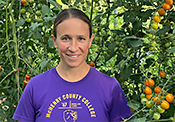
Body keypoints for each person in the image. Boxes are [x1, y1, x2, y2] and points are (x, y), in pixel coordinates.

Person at [13, 8, 132, 122]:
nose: (73, 48)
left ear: (90, 40)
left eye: (81, 38)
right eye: (65, 38)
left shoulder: (110, 87)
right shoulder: (35, 87)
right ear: (55, 41)